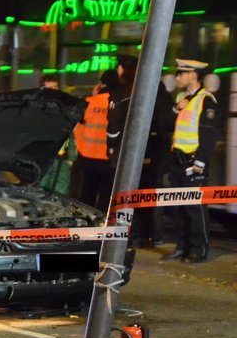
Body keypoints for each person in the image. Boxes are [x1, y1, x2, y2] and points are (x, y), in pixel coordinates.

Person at [104, 54, 175, 246]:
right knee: (151, 192)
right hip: (155, 148)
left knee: (127, 193)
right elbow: (167, 118)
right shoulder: (157, 89)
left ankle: (130, 234)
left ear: (125, 70)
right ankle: (153, 235)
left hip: (128, 149)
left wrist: (111, 148)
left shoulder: (121, 92)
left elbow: (114, 124)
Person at [162, 58, 219, 263]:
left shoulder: (206, 99)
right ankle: (182, 247)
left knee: (195, 208)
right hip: (178, 161)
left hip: (193, 162)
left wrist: (200, 162)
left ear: (193, 75)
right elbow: (167, 125)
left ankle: (198, 249)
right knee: (178, 208)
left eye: (181, 73)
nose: (177, 77)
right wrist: (177, 109)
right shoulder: (182, 97)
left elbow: (209, 135)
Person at [72, 69, 117, 211]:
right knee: (106, 197)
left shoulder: (88, 102)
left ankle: (86, 226)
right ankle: (103, 227)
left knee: (86, 196)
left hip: (87, 157)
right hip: (109, 159)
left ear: (101, 84)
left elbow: (77, 127)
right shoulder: (119, 102)